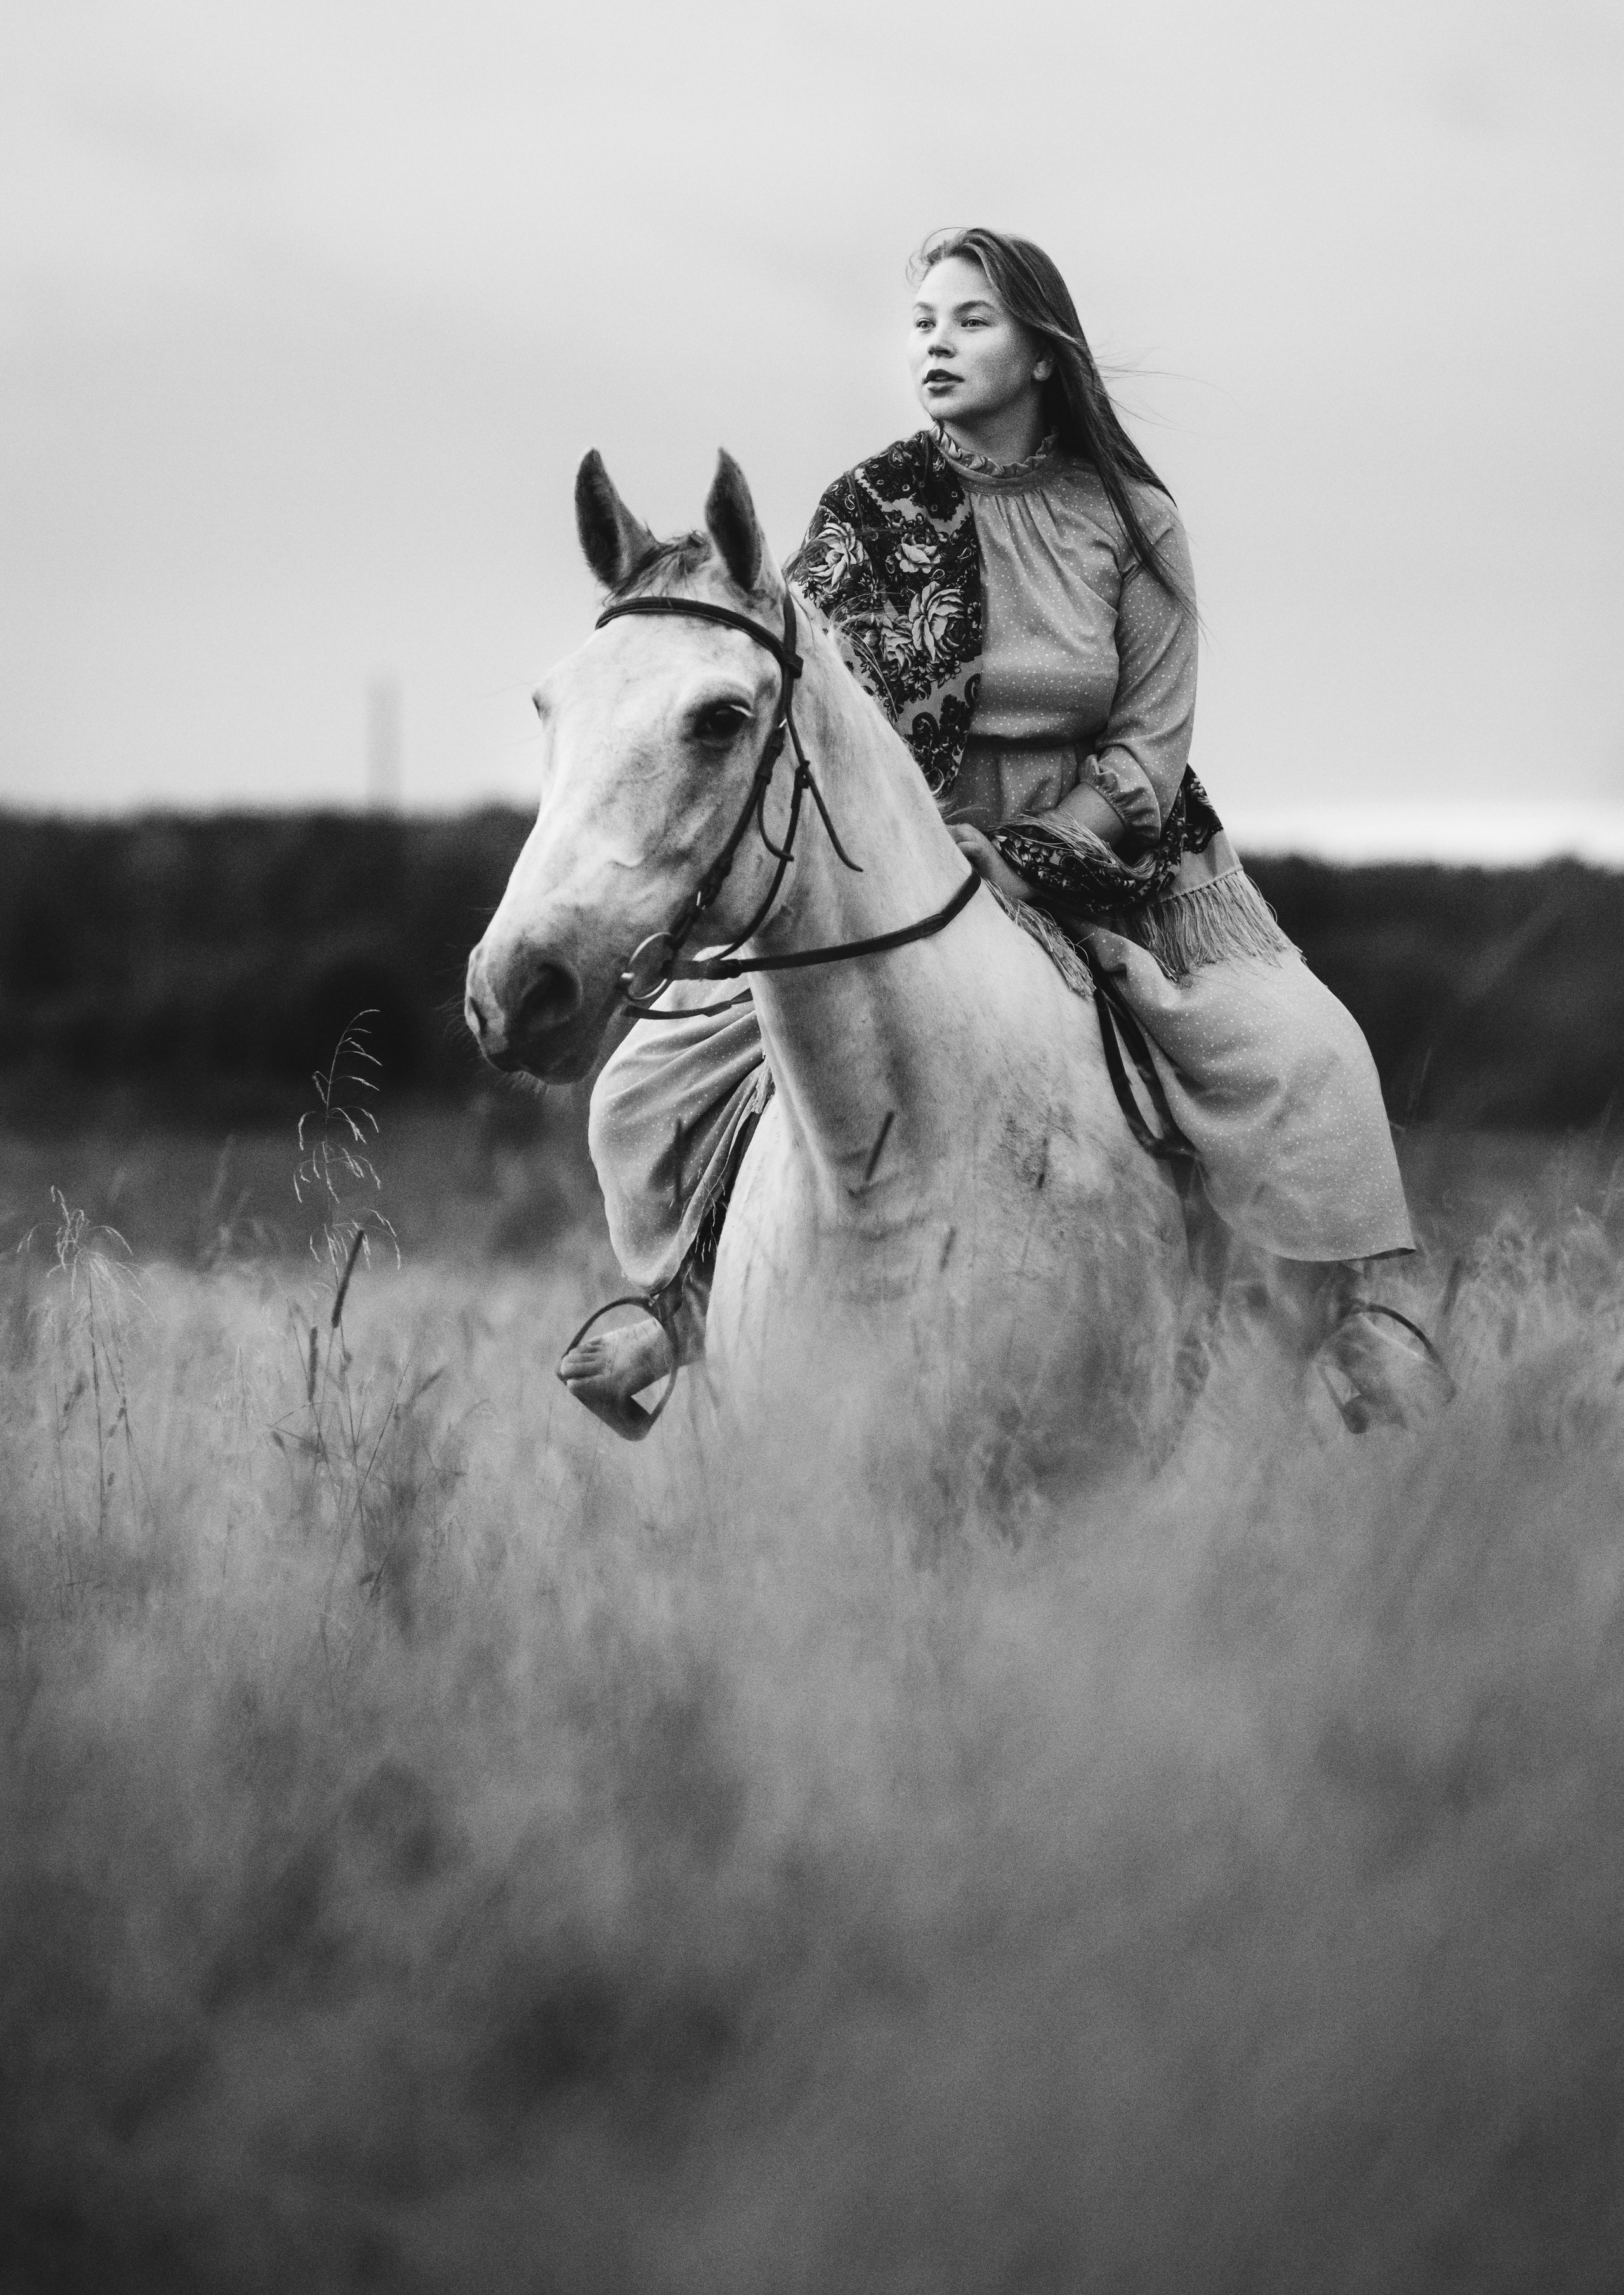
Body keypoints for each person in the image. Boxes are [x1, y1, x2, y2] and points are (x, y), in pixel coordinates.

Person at [563, 227, 1417, 1432]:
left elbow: (1147, 746)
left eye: (972, 321)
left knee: (1310, 1053)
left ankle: (1354, 1319)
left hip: (1115, 859)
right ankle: (682, 1299)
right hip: (910, 860)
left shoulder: (1132, 522)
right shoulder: (867, 508)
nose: (939, 344)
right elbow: (822, 717)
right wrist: (903, 853)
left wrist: (1033, 851)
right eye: (923, 324)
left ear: (1042, 354)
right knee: (648, 1075)